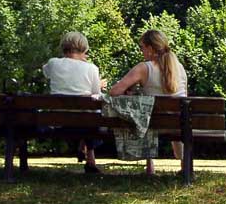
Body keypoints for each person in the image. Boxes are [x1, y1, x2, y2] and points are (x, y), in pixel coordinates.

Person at [109, 29, 187, 175]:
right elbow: (183, 95)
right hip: (179, 123)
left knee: (142, 112)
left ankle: (150, 166)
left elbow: (114, 92)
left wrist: (132, 93)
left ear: (150, 48)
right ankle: (184, 166)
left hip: (152, 124)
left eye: (142, 47)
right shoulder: (179, 67)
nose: (142, 51)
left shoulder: (144, 68)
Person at [42, 31, 107, 174]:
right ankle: (89, 159)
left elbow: (45, 73)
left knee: (85, 115)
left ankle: (87, 156)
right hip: (86, 123)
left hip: (58, 122)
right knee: (91, 115)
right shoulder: (92, 68)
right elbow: (97, 94)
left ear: (63, 47)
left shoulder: (53, 63)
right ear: (84, 48)